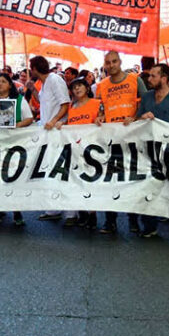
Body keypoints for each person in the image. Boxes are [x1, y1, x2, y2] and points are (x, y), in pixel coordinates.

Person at [125, 64, 169, 238]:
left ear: (164, 78)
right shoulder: (147, 97)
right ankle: (149, 225)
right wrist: (142, 118)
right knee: (148, 187)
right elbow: (138, 118)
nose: (149, 79)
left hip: (168, 151)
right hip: (148, 150)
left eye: (153, 76)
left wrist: (160, 128)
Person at [94, 51, 148, 234]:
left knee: (132, 179)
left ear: (120, 62)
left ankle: (133, 220)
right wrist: (99, 116)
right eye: (108, 63)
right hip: (111, 138)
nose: (111, 65)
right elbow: (99, 107)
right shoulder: (101, 85)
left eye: (114, 61)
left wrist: (135, 117)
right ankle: (110, 221)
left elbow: (146, 102)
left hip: (133, 136)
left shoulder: (135, 80)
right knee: (111, 180)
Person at [0, 73, 35, 226]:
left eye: (3, 81)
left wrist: (15, 125)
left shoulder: (19, 101)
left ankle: (16, 211)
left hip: (14, 143)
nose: (0, 84)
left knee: (12, 177)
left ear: (9, 85)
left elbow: (29, 118)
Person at [26, 56, 70, 221]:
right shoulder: (45, 83)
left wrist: (54, 121)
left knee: (59, 169)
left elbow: (65, 104)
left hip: (56, 131)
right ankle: (53, 208)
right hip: (47, 132)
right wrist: (33, 90)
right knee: (50, 168)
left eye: (31, 68)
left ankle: (68, 210)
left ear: (36, 68)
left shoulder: (54, 80)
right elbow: (43, 102)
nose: (30, 71)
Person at [55, 77, 101, 229]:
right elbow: (70, 124)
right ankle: (82, 213)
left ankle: (93, 214)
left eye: (80, 86)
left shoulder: (97, 104)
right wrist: (63, 123)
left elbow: (104, 121)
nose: (77, 89)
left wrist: (101, 119)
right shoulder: (72, 107)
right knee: (77, 181)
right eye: (74, 87)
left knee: (92, 183)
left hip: (93, 150)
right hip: (76, 150)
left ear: (87, 88)